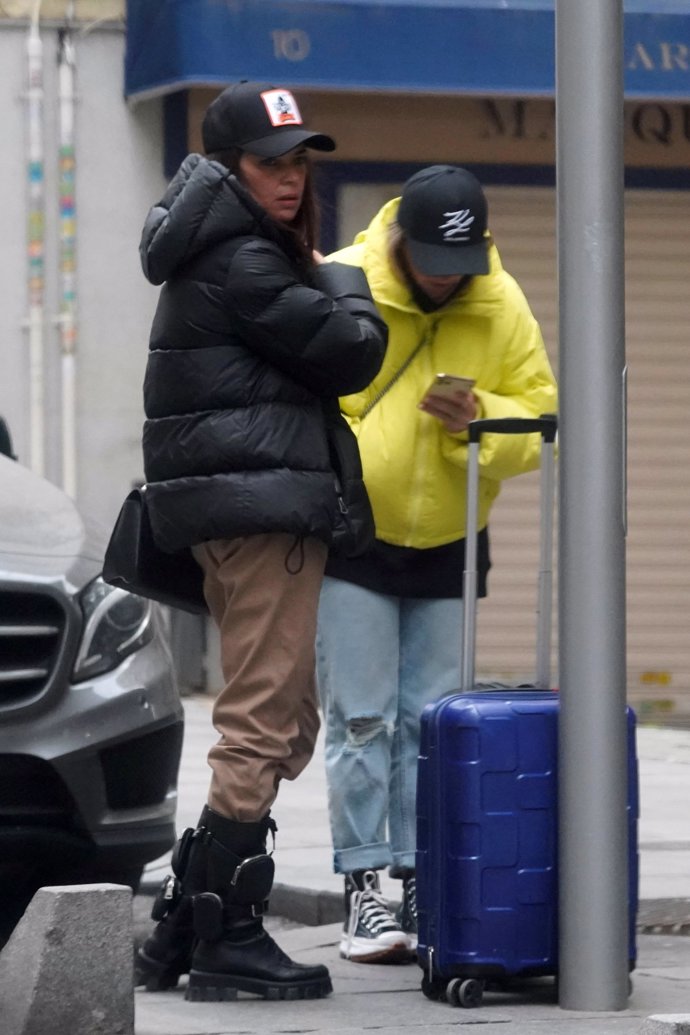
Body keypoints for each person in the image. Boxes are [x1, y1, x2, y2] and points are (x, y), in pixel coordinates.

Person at [133, 81, 387, 1001]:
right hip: (261, 513)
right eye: (269, 162)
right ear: (228, 168)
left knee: (285, 718)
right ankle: (228, 934)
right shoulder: (247, 262)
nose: (290, 178)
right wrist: (345, 279)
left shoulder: (218, 250)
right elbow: (354, 350)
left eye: (299, 161)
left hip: (244, 510)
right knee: (263, 721)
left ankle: (182, 924)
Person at [315, 165, 558, 963]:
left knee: (433, 723)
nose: (448, 277)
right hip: (355, 535)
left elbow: (542, 418)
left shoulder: (501, 300)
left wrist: (478, 419)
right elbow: (301, 401)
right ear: (399, 240)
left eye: (461, 262)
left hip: (452, 539)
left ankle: (421, 878)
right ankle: (361, 888)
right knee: (361, 716)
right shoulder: (343, 282)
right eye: (432, 260)